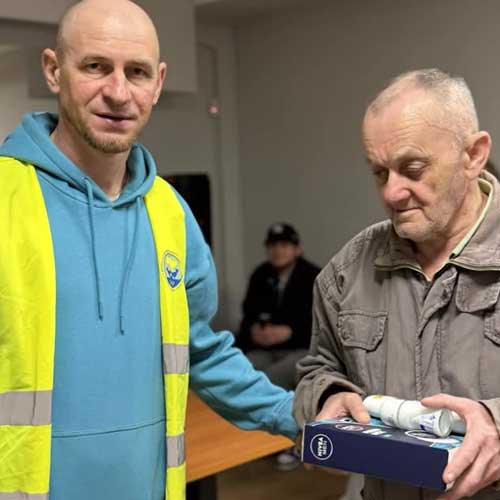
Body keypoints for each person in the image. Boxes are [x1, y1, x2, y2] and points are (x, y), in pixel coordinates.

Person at [0, 2, 298, 500]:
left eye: (136, 72)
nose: (118, 93)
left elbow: (202, 350)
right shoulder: (6, 196)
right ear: (53, 70)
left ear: (158, 83)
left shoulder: (170, 212)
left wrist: (299, 414)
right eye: (96, 66)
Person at [293, 68, 500, 500]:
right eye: (379, 172)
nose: (391, 193)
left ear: (473, 155)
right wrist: (328, 396)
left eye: (412, 168)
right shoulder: (346, 272)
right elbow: (318, 368)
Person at [238, 222, 320, 391]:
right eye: (272, 245)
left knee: (270, 379)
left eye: (284, 245)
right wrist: (253, 331)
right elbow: (248, 315)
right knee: (241, 372)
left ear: (297, 249)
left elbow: (322, 324)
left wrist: (291, 333)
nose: (277, 251)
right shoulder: (260, 275)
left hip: (301, 348)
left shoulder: (312, 276)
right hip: (263, 349)